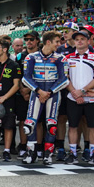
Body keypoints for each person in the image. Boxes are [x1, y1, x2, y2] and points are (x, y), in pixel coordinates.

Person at [22, 31, 69, 166]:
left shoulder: (60, 58)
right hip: (36, 92)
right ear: (48, 42)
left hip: (52, 94)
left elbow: (64, 80)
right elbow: (26, 78)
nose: (59, 44)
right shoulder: (31, 57)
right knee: (29, 124)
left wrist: (48, 92)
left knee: (51, 125)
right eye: (57, 42)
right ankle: (31, 153)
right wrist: (38, 91)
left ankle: (48, 154)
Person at [63, 29, 94, 166]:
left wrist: (82, 91)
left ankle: (93, 153)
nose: (79, 41)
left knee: (93, 126)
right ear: (74, 42)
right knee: (73, 126)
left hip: (90, 97)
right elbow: (65, 78)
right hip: (72, 97)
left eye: (82, 39)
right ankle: (73, 153)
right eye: (77, 39)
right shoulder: (68, 58)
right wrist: (75, 92)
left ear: (88, 41)